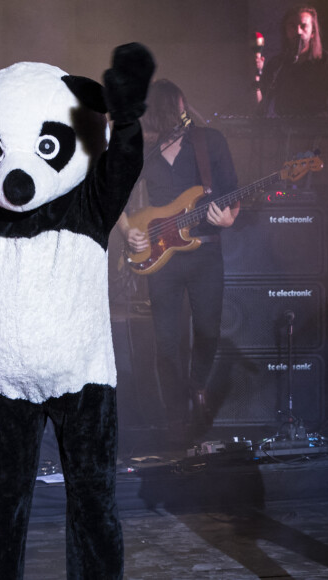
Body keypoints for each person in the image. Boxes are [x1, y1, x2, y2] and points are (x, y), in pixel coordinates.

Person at [117, 79, 239, 445]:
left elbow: (233, 190)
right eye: (175, 110)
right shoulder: (143, 149)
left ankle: (198, 387)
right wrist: (127, 231)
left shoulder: (209, 142)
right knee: (167, 342)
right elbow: (113, 194)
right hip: (162, 257)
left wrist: (229, 217)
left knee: (208, 330)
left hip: (205, 250)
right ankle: (176, 417)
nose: (182, 115)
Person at [255, 4, 328, 117]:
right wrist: (255, 76)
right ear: (286, 31)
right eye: (292, 26)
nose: (298, 31)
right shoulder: (278, 63)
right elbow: (260, 106)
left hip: (318, 129)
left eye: (303, 26)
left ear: (313, 33)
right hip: (284, 130)